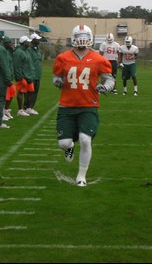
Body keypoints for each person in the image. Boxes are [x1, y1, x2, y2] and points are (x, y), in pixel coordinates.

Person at [53, 24, 115, 187]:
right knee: (64, 143)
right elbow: (56, 77)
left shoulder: (98, 59)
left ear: (91, 39)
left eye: (85, 36)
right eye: (80, 36)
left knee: (85, 139)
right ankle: (70, 146)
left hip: (88, 105)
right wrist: (58, 82)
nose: (82, 40)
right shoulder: (63, 57)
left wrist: (106, 87)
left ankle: (81, 176)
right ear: (73, 37)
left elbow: (109, 79)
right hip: (67, 105)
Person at [13, 36, 35, 116]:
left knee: (31, 91)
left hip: (29, 75)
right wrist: (20, 77)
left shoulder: (26, 51)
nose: (29, 43)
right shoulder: (18, 52)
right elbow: (17, 65)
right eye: (27, 41)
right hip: (23, 76)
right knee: (21, 92)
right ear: (24, 42)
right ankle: (20, 110)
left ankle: (28, 108)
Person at [24, 32, 42, 115]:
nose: (39, 40)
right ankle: (27, 107)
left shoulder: (37, 49)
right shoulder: (29, 50)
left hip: (37, 74)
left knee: (35, 92)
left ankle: (31, 107)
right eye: (37, 39)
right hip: (31, 74)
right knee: (30, 92)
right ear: (33, 40)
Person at [3, 36, 16, 119]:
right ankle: (2, 111)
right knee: (5, 96)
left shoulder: (10, 51)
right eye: (10, 42)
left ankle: (6, 110)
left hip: (10, 76)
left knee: (12, 92)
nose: (11, 44)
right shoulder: (3, 52)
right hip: (5, 77)